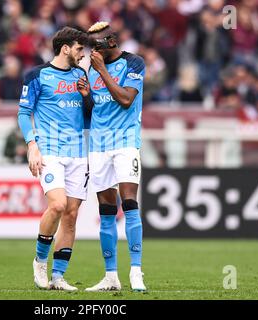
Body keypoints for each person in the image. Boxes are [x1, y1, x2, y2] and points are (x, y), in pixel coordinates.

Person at [17, 27, 89, 291]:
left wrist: (87, 97)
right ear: (66, 48)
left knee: (71, 215)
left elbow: (89, 115)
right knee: (57, 205)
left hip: (78, 154)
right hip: (50, 151)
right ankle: (39, 260)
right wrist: (32, 145)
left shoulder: (81, 75)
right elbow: (24, 113)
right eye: (80, 49)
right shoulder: (37, 75)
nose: (84, 54)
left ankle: (58, 277)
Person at [78, 21, 146, 292]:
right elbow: (93, 110)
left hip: (126, 142)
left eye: (96, 46)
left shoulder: (134, 63)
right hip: (98, 145)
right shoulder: (90, 69)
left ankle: (136, 271)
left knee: (129, 204)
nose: (91, 51)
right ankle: (110, 277)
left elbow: (126, 99)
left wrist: (102, 70)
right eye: (89, 45)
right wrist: (86, 97)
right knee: (106, 212)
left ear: (111, 43)